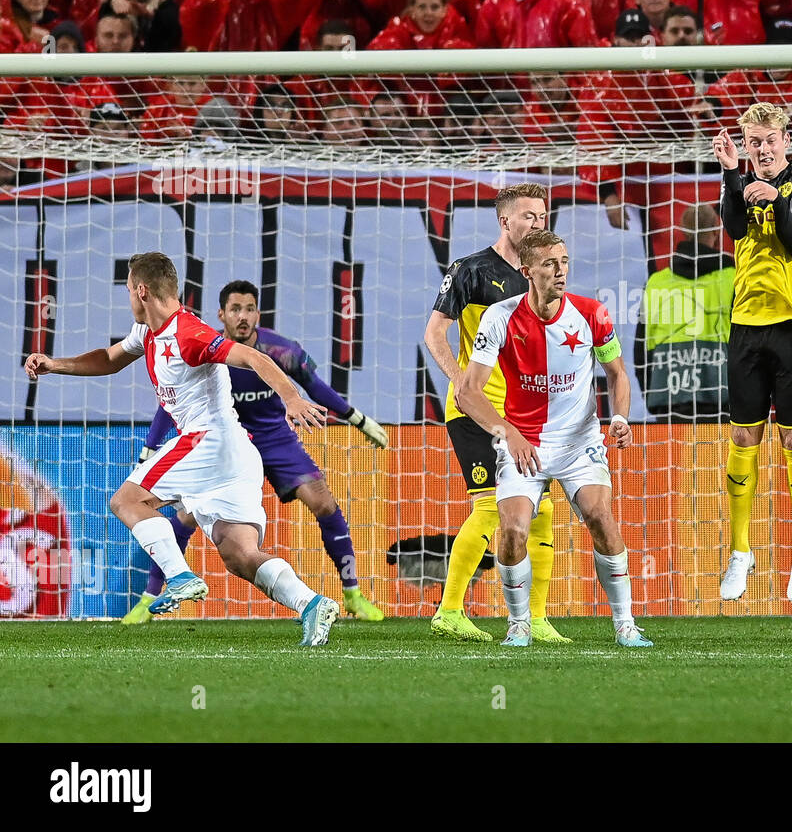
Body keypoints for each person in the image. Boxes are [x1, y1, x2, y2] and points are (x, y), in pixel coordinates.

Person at [23, 253, 340, 646]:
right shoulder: (148, 332)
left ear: (141, 291)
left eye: (128, 291)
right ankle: (312, 604)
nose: (128, 299)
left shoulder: (189, 334)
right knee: (239, 553)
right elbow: (108, 358)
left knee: (126, 501)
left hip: (209, 440)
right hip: (234, 455)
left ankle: (179, 577)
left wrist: (291, 398)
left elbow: (254, 357)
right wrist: (56, 364)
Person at [123, 278, 389, 624]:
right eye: (235, 309)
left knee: (324, 502)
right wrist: (149, 447)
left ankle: (352, 593)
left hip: (274, 438)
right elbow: (167, 403)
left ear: (258, 313)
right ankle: (152, 595)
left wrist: (358, 419)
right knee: (186, 518)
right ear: (222, 314)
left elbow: (314, 387)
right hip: (228, 444)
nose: (243, 316)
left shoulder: (278, 352)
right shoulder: (205, 348)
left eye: (250, 309)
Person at [455, 229, 652, 648]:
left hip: (580, 442)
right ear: (527, 271)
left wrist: (619, 417)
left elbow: (617, 374)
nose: (561, 270)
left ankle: (625, 625)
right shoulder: (500, 318)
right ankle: (520, 624)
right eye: (550, 263)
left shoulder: (592, 314)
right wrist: (507, 433)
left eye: (563, 261)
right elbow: (468, 392)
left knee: (600, 517)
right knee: (512, 531)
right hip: (522, 442)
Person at [423, 184, 569, 643]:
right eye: (528, 215)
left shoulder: (542, 275)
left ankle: (538, 620)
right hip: (478, 412)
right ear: (505, 221)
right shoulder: (471, 270)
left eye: (543, 215)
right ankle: (448, 611)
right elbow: (434, 334)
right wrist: (461, 383)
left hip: (526, 415)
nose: (537, 223)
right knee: (491, 509)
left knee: (542, 513)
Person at [713, 102, 792, 605]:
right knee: (743, 436)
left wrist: (776, 195)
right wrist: (732, 175)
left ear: (785, 140)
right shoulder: (742, 177)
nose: (762, 149)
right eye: (753, 142)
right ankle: (741, 551)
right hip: (746, 324)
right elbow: (736, 229)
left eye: (769, 140)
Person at [641, 202, 735, 421]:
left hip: (668, 395)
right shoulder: (733, 279)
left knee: (672, 457)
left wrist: (653, 394)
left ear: (683, 232)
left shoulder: (657, 282)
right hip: (721, 395)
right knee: (718, 457)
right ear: (716, 229)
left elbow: (641, 348)